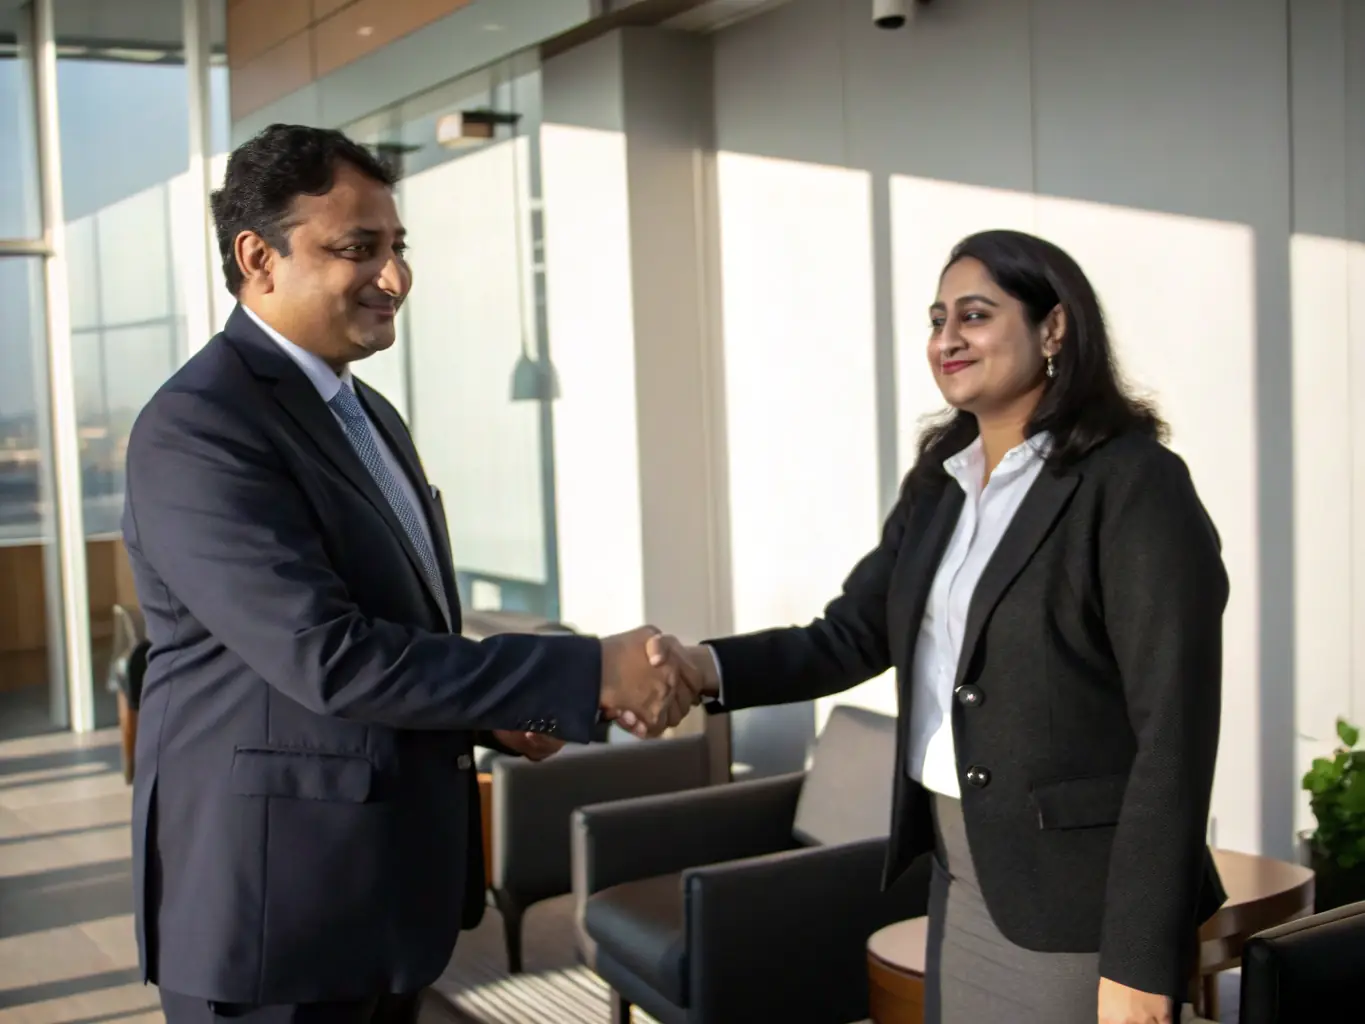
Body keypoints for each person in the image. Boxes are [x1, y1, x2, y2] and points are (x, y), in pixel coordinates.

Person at [122, 124, 695, 1024]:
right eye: (358, 249)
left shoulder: (366, 411)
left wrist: (504, 713)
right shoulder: (199, 427)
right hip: (276, 922)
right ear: (256, 257)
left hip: (373, 909)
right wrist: (583, 671)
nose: (394, 277)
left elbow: (401, 630)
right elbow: (331, 658)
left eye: (397, 247)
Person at [652, 229, 1227, 1024]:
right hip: (960, 871)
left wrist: (1138, 958)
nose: (946, 338)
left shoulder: (1132, 484)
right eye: (935, 318)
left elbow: (1174, 733)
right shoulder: (940, 483)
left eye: (976, 314)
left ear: (1053, 329)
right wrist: (700, 667)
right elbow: (849, 634)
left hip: (1076, 903)